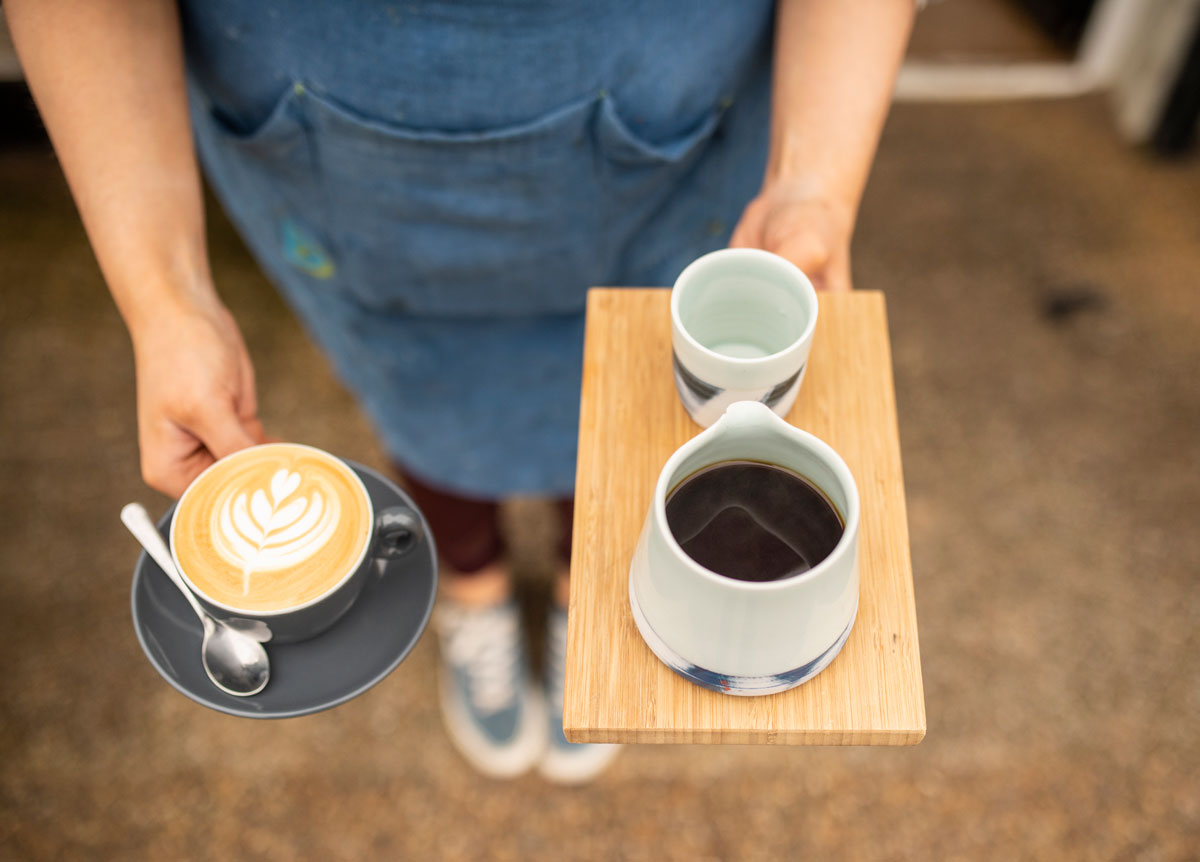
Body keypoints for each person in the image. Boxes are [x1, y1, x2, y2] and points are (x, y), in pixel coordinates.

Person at [9, 0, 915, 782]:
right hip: (342, 175)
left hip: (672, 154)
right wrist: (165, 301)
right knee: (419, 396)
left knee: (643, 412)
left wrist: (812, 186)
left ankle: (590, 593)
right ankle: (472, 589)